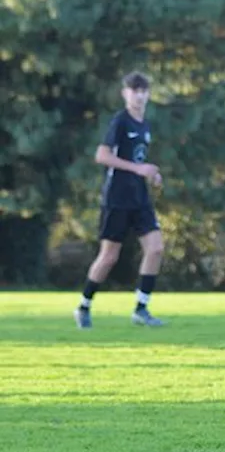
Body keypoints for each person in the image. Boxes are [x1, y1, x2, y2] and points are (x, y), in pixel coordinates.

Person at [73, 72, 166, 329]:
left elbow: (138, 162)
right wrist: (138, 170)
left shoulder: (144, 125)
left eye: (143, 90)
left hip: (140, 198)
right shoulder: (120, 121)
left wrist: (151, 174)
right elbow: (102, 155)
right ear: (125, 93)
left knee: (156, 248)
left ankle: (141, 309)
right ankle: (83, 306)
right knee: (109, 257)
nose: (139, 94)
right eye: (134, 90)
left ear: (148, 93)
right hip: (117, 199)